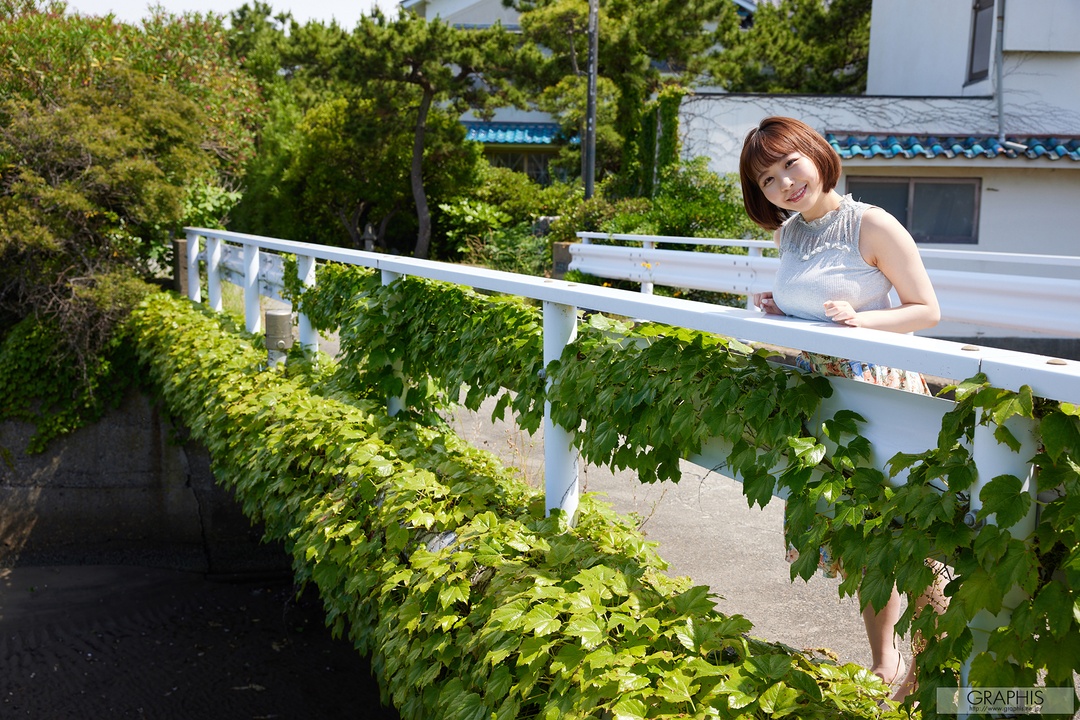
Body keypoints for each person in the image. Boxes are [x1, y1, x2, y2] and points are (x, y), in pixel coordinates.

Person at [739, 116, 947, 702]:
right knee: (860, 537)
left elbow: (926, 310)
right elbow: (812, 304)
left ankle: (926, 673)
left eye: (789, 164)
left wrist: (864, 321)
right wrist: (781, 309)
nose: (783, 182)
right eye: (767, 178)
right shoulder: (790, 234)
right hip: (826, 395)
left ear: (816, 155)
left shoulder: (873, 224)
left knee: (911, 540)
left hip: (878, 391)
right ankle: (883, 664)